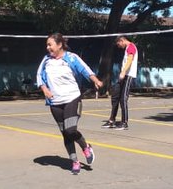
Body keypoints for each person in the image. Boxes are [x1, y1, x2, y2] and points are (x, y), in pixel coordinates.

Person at [37, 32, 104, 174]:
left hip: (72, 98)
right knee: (65, 133)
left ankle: (86, 147)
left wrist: (96, 81)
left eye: (50, 44)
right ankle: (74, 161)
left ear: (60, 44)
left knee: (70, 130)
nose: (48, 48)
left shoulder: (71, 58)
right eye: (47, 45)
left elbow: (85, 69)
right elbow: (39, 76)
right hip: (55, 102)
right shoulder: (46, 60)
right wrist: (44, 89)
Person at [102, 35, 138, 130]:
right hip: (123, 76)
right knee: (115, 97)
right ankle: (111, 121)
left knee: (123, 99)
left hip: (128, 76)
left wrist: (123, 71)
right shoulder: (127, 48)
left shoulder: (131, 46)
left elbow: (130, 59)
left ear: (122, 40)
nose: (119, 46)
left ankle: (124, 123)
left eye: (118, 44)